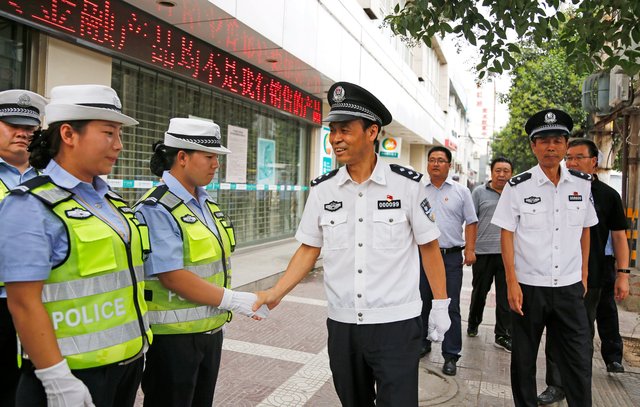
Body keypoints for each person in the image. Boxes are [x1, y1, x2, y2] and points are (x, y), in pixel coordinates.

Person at [252, 81, 451, 407]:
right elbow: (308, 248)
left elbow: (429, 246)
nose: (335, 139)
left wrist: (441, 306)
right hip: (344, 326)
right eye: (332, 131)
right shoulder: (323, 189)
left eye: (345, 130)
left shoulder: (407, 185)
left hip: (396, 325)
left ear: (372, 132)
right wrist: (275, 293)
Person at [0, 84, 152, 407]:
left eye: (119, 134)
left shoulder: (111, 202)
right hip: (69, 377)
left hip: (124, 370)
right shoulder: (30, 203)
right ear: (68, 134)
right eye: (109, 133)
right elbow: (23, 302)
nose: (119, 145)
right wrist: (56, 377)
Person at [135, 118, 269, 407]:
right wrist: (233, 299)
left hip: (210, 332)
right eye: (209, 157)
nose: (216, 165)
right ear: (182, 157)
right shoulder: (157, 208)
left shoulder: (206, 204)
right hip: (173, 340)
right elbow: (172, 276)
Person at [492, 109, 598, 407]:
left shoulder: (582, 183)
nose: (550, 146)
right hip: (529, 287)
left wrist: (584, 274)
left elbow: (586, 230)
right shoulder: (518, 187)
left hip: (569, 287)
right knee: (524, 360)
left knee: (578, 358)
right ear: (533, 146)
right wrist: (511, 281)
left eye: (557, 140)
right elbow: (507, 235)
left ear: (566, 145)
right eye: (543, 141)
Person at [537, 139, 629, 405]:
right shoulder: (556, 188)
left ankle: (579, 383)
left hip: (593, 277)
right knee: (555, 332)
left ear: (594, 162)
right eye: (570, 158)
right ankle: (555, 385)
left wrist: (623, 274)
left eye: (579, 157)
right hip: (557, 274)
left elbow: (620, 237)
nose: (573, 163)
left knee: (582, 333)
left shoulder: (608, 196)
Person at [0, 89, 47, 407]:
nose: (22, 133)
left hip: (44, 304)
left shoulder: (51, 179)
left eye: (30, 128)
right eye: (11, 124)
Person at [419, 146, 478, 376]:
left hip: (450, 258)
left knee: (450, 306)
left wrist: (470, 250)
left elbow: (471, 222)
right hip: (422, 256)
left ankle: (451, 354)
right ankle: (422, 343)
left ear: (449, 165)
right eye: (431, 160)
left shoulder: (462, 192)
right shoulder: (418, 190)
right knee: (422, 301)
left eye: (441, 160)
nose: (435, 164)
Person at [467, 156, 513, 352]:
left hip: (507, 254)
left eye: (506, 171)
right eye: (498, 170)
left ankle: (502, 335)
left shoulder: (515, 193)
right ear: (491, 172)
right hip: (483, 252)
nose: (501, 174)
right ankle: (473, 323)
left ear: (511, 174)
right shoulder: (479, 192)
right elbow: (471, 221)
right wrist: (469, 249)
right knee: (479, 293)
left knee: (505, 297)